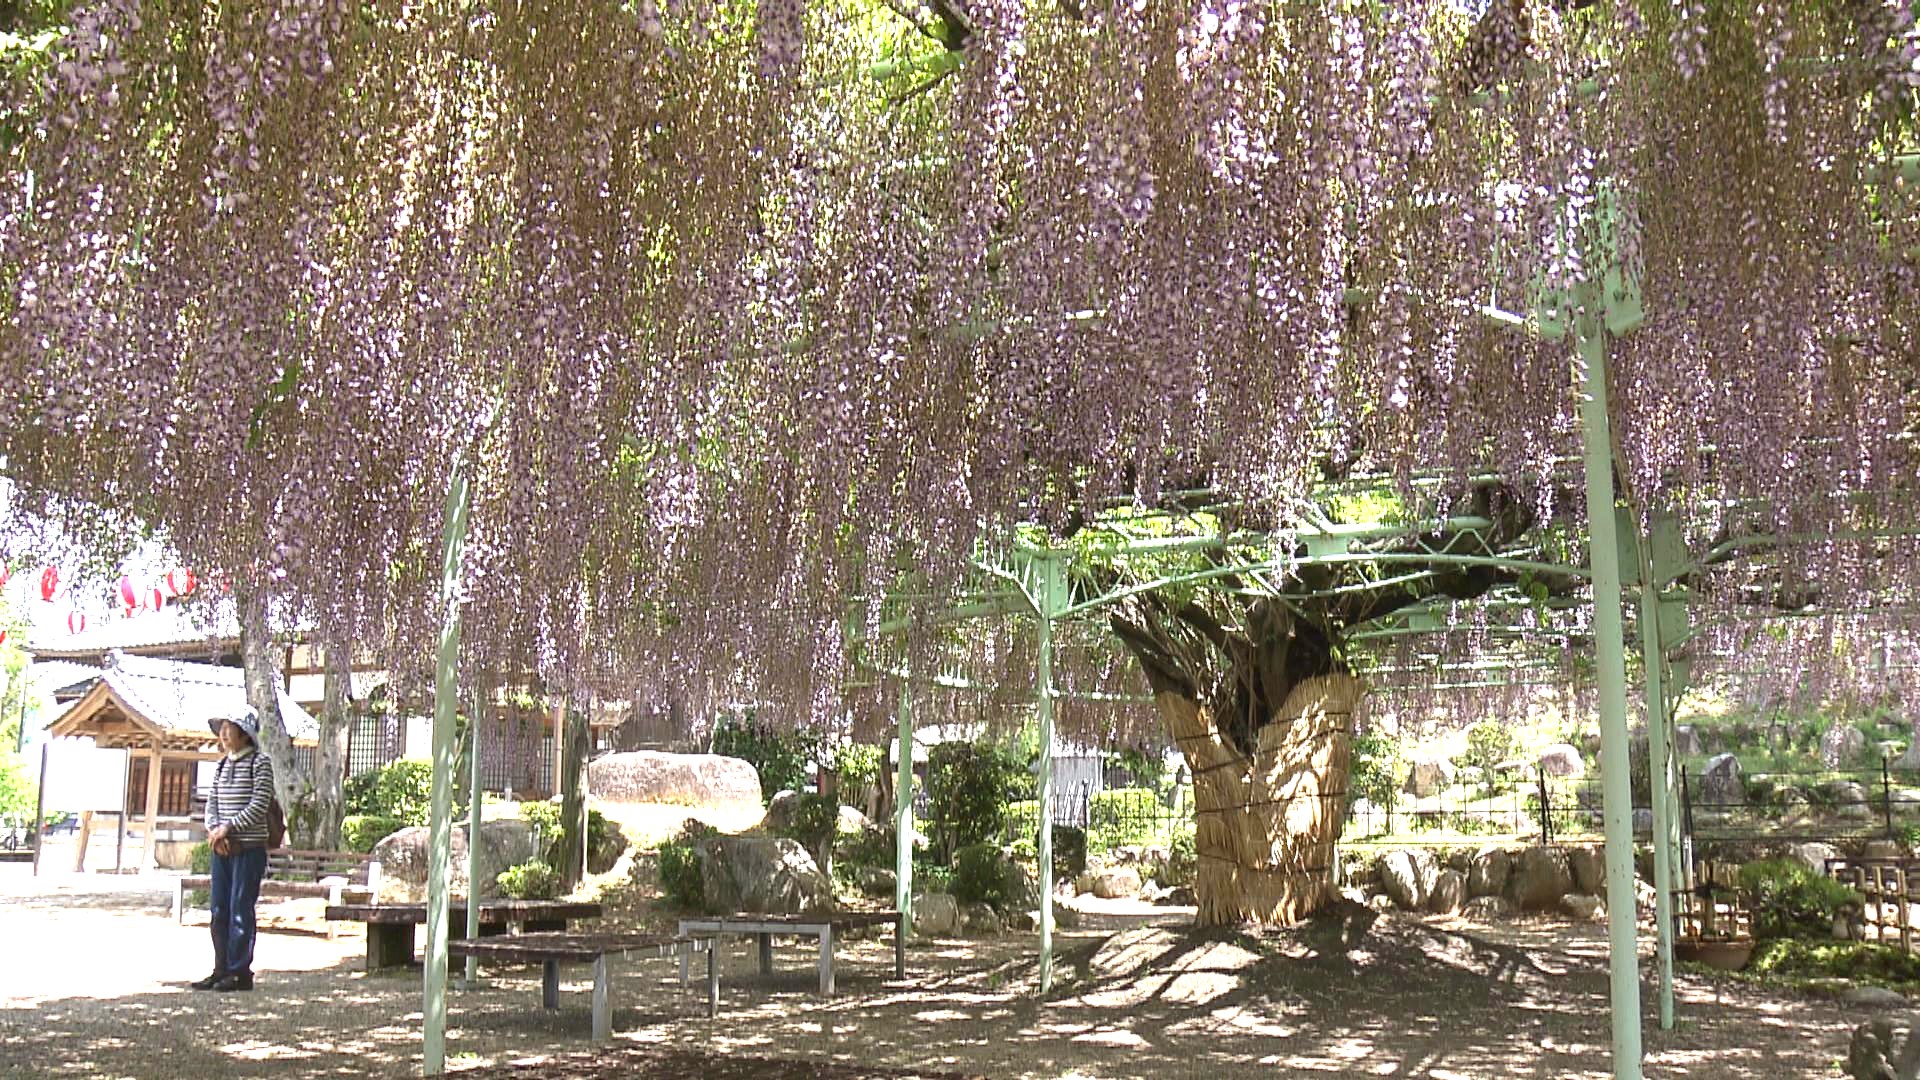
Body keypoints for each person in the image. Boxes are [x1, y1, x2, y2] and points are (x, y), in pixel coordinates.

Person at [191, 707, 275, 992]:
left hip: (248, 848)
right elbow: (211, 803)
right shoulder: (221, 765)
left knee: (241, 907)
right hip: (222, 847)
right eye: (223, 727)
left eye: (230, 727)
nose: (224, 733)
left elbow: (260, 803)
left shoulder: (260, 763)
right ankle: (221, 967)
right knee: (218, 909)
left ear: (245, 733)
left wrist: (230, 827)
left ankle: (240, 971)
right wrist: (215, 831)